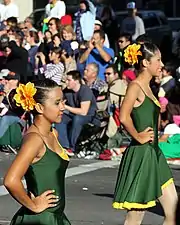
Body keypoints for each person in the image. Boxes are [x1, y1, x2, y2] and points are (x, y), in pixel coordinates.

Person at [113, 43, 177, 225]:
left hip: (155, 153)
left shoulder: (149, 88)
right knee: (135, 217)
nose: (162, 64)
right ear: (145, 63)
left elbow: (151, 123)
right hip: (142, 155)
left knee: (173, 212)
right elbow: (124, 117)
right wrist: (138, 136)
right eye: (158, 60)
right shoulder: (135, 86)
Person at [4, 79, 71, 225]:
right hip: (41, 219)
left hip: (55, 217)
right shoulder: (34, 139)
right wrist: (33, 205)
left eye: (63, 101)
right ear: (40, 108)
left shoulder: (53, 133)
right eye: (57, 103)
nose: (63, 107)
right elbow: (11, 180)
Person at [55, 70, 97, 156]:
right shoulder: (67, 91)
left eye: (69, 80)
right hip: (73, 115)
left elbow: (83, 111)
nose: (66, 82)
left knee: (77, 118)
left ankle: (72, 147)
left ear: (76, 81)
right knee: (60, 118)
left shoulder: (85, 90)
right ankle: (64, 146)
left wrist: (66, 107)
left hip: (89, 116)